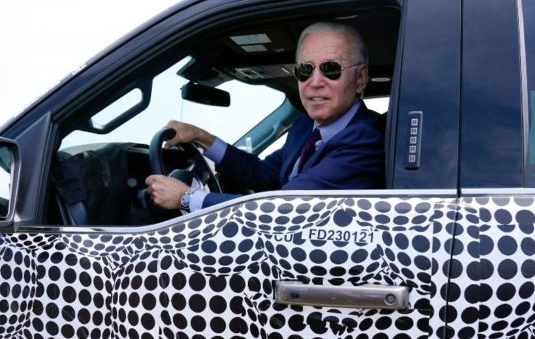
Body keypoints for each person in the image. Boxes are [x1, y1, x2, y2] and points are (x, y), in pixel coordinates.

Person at [144, 21, 385, 212]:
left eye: (331, 69)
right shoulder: (305, 128)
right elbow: (262, 175)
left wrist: (185, 198)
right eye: (305, 70)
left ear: (360, 78)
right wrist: (202, 137)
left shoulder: (366, 139)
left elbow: (281, 208)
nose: (315, 82)